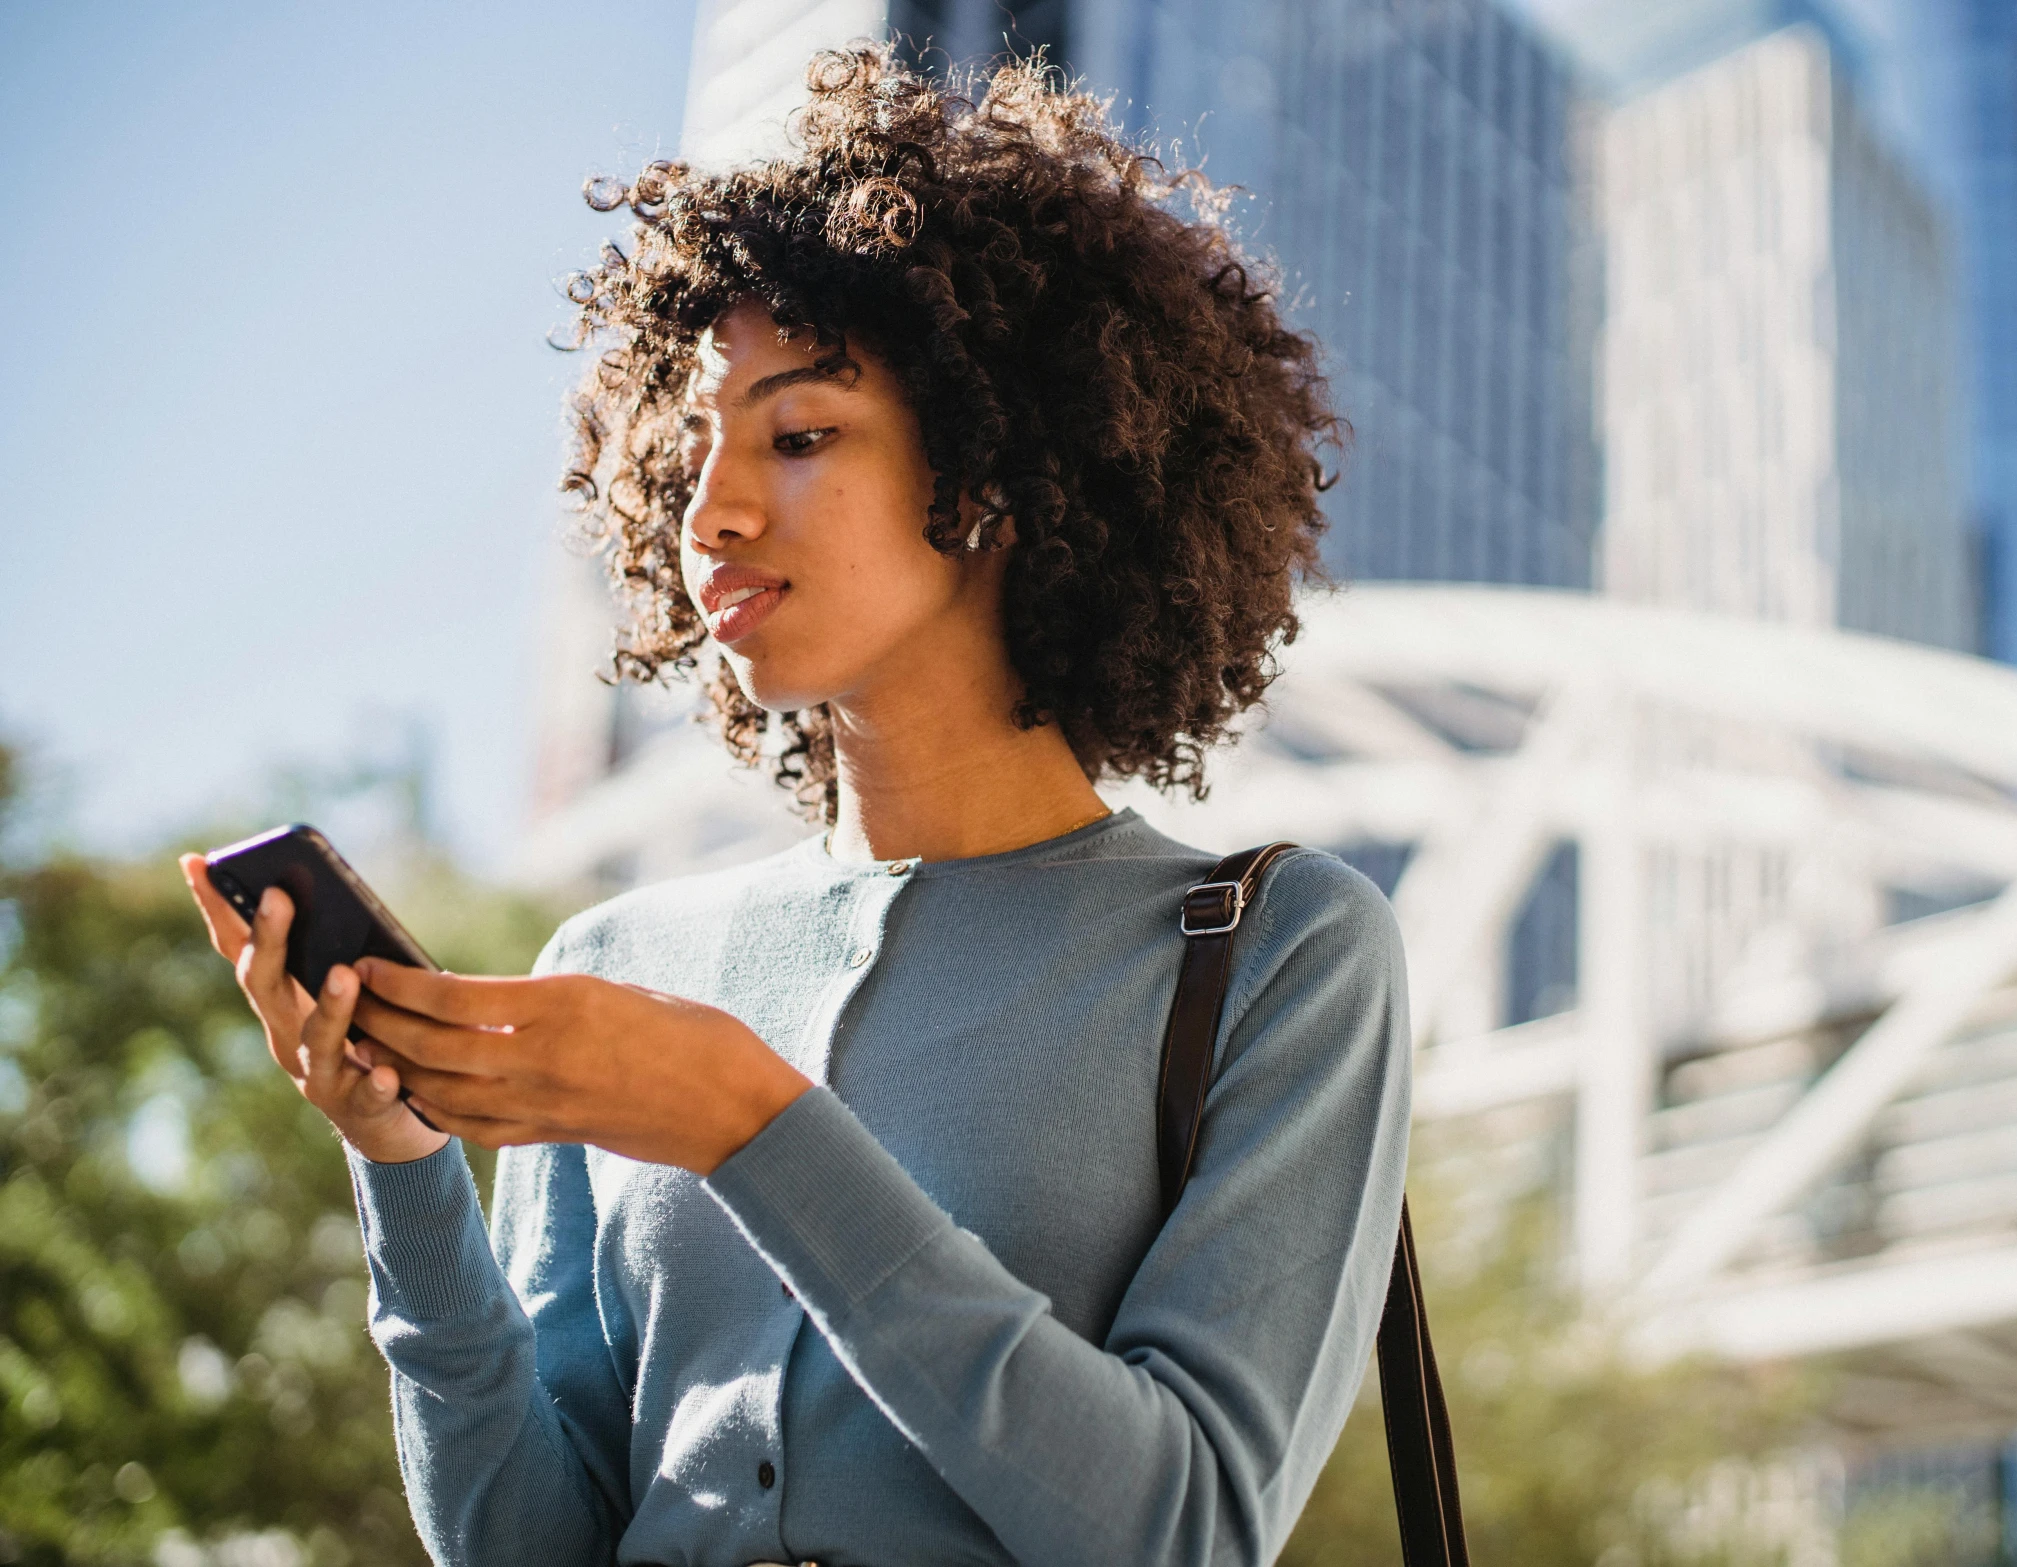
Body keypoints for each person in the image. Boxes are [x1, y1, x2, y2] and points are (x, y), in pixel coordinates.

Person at [181, 46, 1409, 1567]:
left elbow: (1185, 1526)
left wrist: (747, 1124)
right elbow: (525, 1542)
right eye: (690, 447)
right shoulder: (610, 962)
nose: (709, 510)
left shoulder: (1275, 951)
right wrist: (407, 1170)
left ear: (998, 468)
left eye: (800, 432)